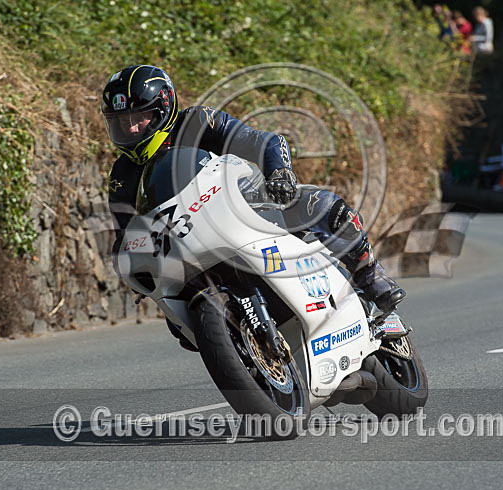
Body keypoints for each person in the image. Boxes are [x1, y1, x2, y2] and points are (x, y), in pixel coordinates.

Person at [101, 65, 405, 350]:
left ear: (163, 110)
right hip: (186, 245)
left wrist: (280, 173)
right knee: (179, 326)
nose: (130, 129)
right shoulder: (122, 177)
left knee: (319, 204)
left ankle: (368, 275)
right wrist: (132, 264)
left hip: (246, 206)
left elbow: (260, 141)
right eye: (120, 123)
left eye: (139, 117)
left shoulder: (198, 122)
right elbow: (125, 233)